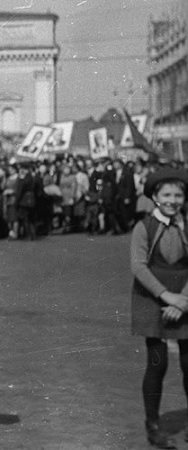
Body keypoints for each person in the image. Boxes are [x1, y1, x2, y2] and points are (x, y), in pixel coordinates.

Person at [129, 167, 188, 449]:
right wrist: (166, 296)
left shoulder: (185, 225)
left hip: (185, 299)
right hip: (152, 298)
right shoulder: (144, 227)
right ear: (155, 196)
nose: (173, 200)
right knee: (158, 363)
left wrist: (183, 300)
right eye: (167, 194)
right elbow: (138, 266)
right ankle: (153, 424)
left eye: (179, 194)